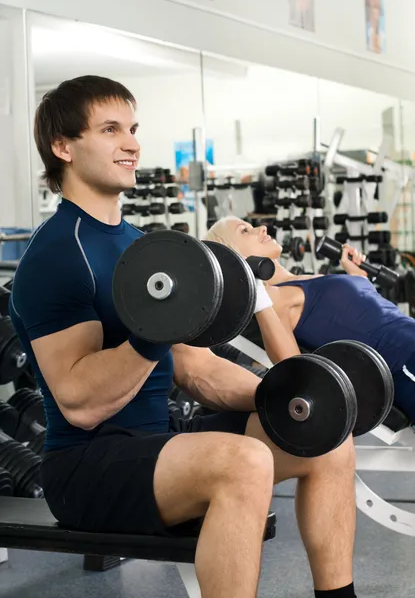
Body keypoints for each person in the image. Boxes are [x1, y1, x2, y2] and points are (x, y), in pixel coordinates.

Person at [10, 75, 357, 598]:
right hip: (86, 469)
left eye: (132, 128)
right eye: (110, 130)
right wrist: (153, 335)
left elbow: (195, 367)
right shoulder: (57, 255)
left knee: (324, 437)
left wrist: (286, 395)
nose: (131, 144)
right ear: (63, 147)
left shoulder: (139, 245)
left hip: (159, 444)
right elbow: (79, 402)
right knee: (243, 462)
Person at [205, 216, 415, 423]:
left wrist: (357, 277)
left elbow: (364, 313)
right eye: (244, 231)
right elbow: (293, 366)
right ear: (234, 256)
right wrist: (258, 296)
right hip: (403, 359)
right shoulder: (274, 299)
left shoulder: (301, 280)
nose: (261, 228)